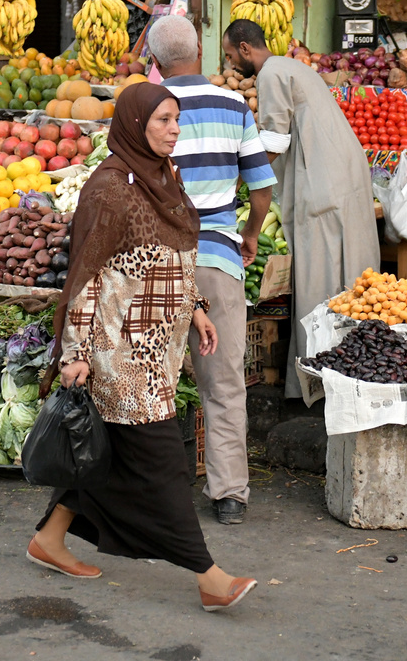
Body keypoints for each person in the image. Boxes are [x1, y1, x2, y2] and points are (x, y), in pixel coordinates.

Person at [30, 82, 258, 613]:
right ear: (135, 124)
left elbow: (175, 259)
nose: (174, 130)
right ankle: (209, 576)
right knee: (161, 464)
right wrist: (76, 354)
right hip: (119, 354)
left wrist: (196, 306)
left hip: (160, 346)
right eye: (162, 121)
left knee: (109, 459)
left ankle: (49, 539)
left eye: (177, 120)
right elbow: (85, 278)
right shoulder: (108, 190)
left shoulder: (165, 179)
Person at [146, 14, 275, 525]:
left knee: (147, 378)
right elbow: (261, 187)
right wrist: (250, 233)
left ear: (155, 63)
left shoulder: (145, 108)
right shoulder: (233, 104)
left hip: (157, 259)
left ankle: (151, 489)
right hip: (218, 258)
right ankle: (229, 496)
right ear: (201, 52)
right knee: (223, 382)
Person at [221, 18, 380, 394]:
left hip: (323, 182)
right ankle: (357, 366)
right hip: (341, 174)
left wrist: (235, 184)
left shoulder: (271, 74)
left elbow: (274, 141)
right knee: (348, 270)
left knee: (320, 276)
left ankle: (321, 378)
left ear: (245, 49)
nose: (230, 65)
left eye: (230, 56)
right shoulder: (290, 66)